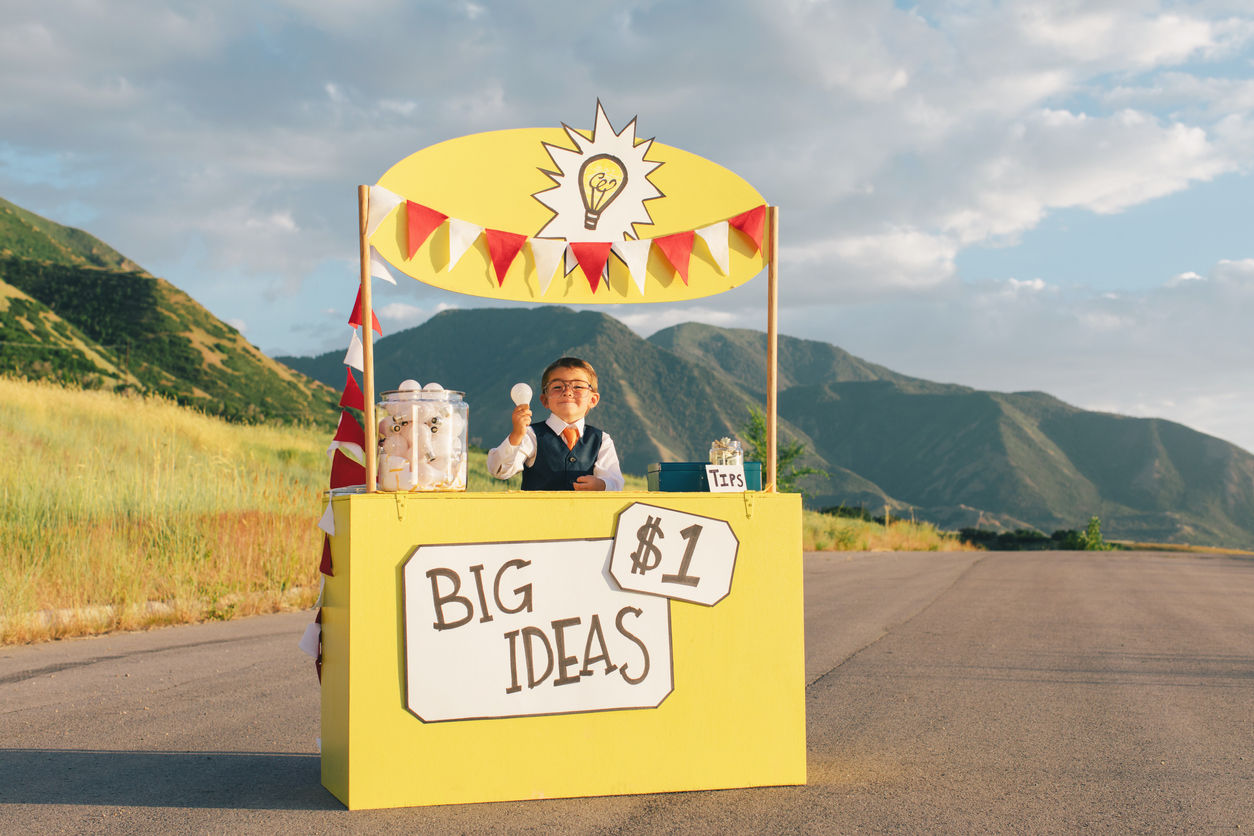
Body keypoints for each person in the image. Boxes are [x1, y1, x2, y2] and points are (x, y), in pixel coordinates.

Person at [486, 357, 624, 491]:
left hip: (584, 514)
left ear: (593, 400)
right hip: (536, 514)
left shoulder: (602, 440)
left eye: (578, 386)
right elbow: (499, 471)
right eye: (558, 387)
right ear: (545, 400)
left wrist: (602, 485)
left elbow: (615, 482)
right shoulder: (531, 435)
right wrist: (516, 435)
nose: (568, 392)